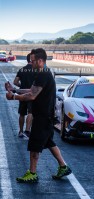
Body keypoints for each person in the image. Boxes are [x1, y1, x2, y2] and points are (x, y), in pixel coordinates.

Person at [5, 48, 72, 183]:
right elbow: (32, 89)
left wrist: (13, 97)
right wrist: (15, 90)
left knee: (34, 145)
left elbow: (32, 95)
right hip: (46, 116)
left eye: (33, 61)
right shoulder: (44, 73)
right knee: (49, 142)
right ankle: (63, 166)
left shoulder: (43, 75)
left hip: (42, 117)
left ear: (40, 61)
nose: (31, 63)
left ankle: (32, 173)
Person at [13, 53, 35, 139]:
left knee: (22, 113)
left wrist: (21, 86)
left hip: (22, 94)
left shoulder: (22, 70)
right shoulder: (36, 70)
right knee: (31, 112)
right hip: (32, 94)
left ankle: (21, 131)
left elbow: (15, 82)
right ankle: (28, 131)